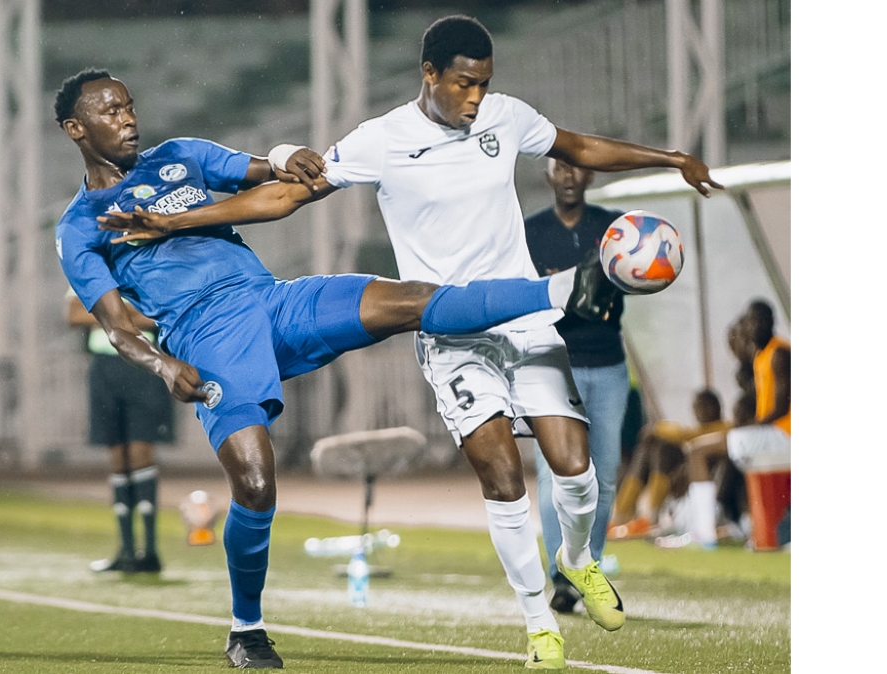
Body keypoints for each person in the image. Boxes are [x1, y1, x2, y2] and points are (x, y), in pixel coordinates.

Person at [99, 16, 723, 670]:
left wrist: (672, 158)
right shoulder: (383, 139)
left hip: (522, 318)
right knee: (500, 471)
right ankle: (539, 621)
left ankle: (578, 558)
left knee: (576, 469)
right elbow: (284, 196)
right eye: (463, 84)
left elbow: (578, 147)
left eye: (483, 84)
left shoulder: (506, 118)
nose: (475, 97)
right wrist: (178, 221)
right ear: (429, 75)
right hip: (448, 328)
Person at [522, 158, 629, 615]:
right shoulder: (529, 231)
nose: (567, 175)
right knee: (554, 475)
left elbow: (640, 276)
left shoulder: (614, 229)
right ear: (547, 173)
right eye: (558, 167)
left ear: (591, 175)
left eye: (576, 168)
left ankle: (588, 564)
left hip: (608, 363)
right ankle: (560, 577)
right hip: (550, 362)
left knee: (602, 476)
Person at [667, 300, 790, 549]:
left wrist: (747, 426)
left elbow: (780, 408)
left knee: (698, 451)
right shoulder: (761, 356)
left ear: (770, 322)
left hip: (784, 433)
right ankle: (740, 528)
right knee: (710, 454)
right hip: (771, 432)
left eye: (759, 320)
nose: (755, 326)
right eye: (751, 321)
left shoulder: (779, 353)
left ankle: (705, 532)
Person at [66, 289, 174, 573]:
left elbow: (158, 314)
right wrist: (128, 316)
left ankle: (149, 550)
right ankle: (125, 550)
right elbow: (74, 313)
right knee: (116, 453)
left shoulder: (142, 270)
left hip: (144, 363)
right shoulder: (91, 268)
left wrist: (105, 313)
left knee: (141, 451)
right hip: (104, 368)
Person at [608, 388, 732, 540]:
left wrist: (656, 428)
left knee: (664, 449)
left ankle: (648, 517)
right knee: (650, 448)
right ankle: (622, 515)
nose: (701, 411)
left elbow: (686, 435)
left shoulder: (726, 427)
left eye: (705, 406)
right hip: (680, 476)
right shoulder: (697, 429)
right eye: (696, 407)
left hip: (704, 482)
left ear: (718, 407)